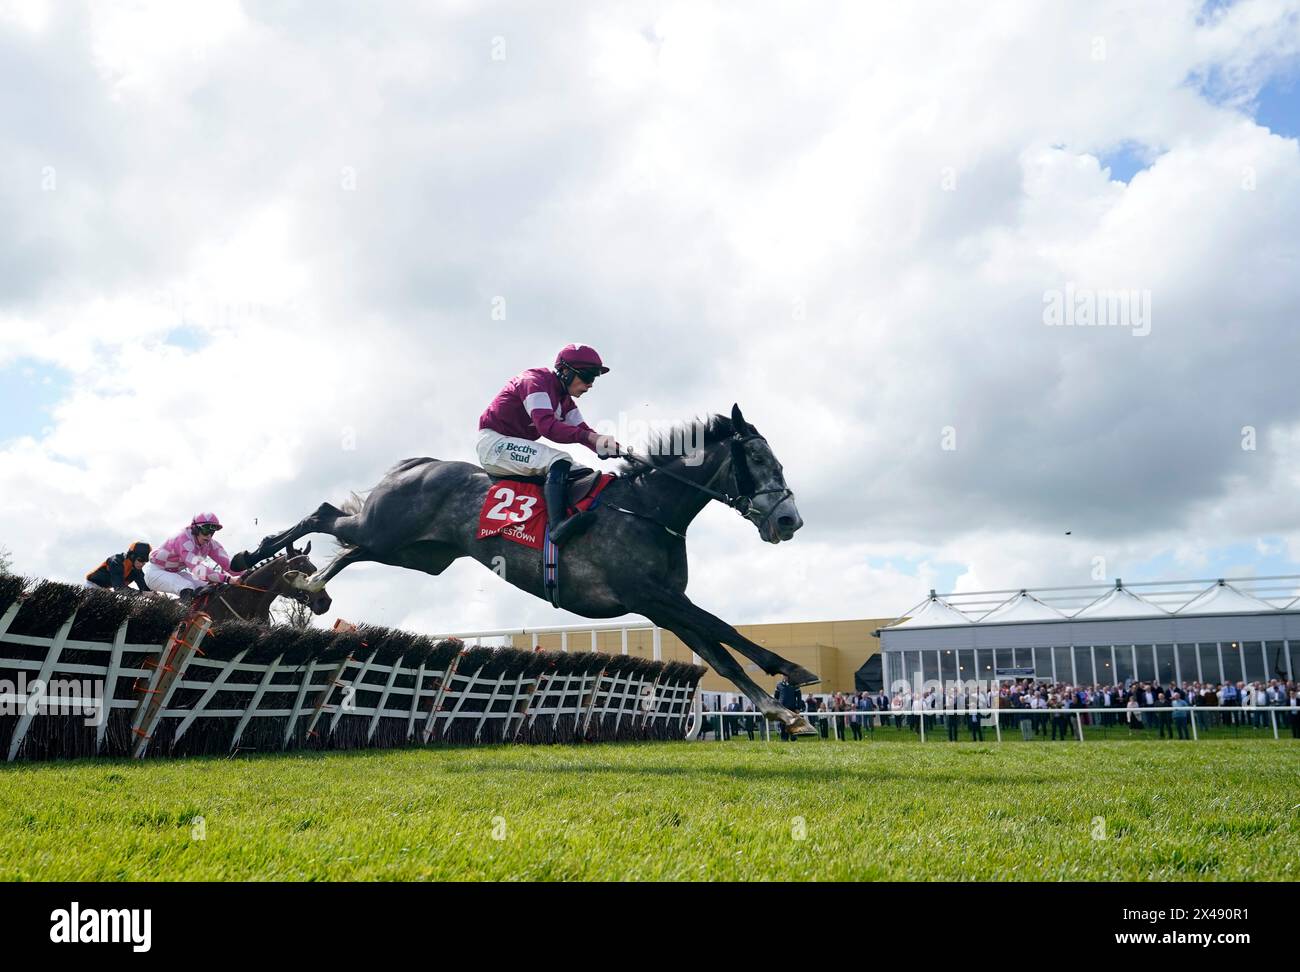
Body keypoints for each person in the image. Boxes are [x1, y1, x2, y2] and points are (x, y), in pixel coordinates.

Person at [477, 344, 622, 545]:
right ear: (564, 371)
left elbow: (584, 431)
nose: (590, 385)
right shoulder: (534, 382)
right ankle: (557, 527)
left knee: (582, 473)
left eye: (594, 379)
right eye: (587, 376)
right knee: (559, 460)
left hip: (513, 446)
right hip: (494, 444)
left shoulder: (565, 401)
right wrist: (591, 439)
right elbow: (547, 427)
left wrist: (603, 445)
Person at [144, 513, 243, 602]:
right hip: (154, 572)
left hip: (175, 572)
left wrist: (246, 574)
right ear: (195, 529)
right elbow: (199, 570)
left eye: (212, 533)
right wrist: (227, 579)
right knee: (187, 587)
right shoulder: (183, 539)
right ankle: (181, 619)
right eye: (205, 531)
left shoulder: (209, 543)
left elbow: (229, 566)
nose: (209, 536)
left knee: (207, 586)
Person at [85, 541, 152, 592]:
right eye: (141, 560)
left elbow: (145, 589)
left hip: (106, 590)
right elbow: (119, 589)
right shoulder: (116, 561)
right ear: (132, 556)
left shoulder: (137, 570)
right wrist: (142, 593)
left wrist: (155, 595)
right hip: (92, 586)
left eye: (146, 560)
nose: (143, 564)